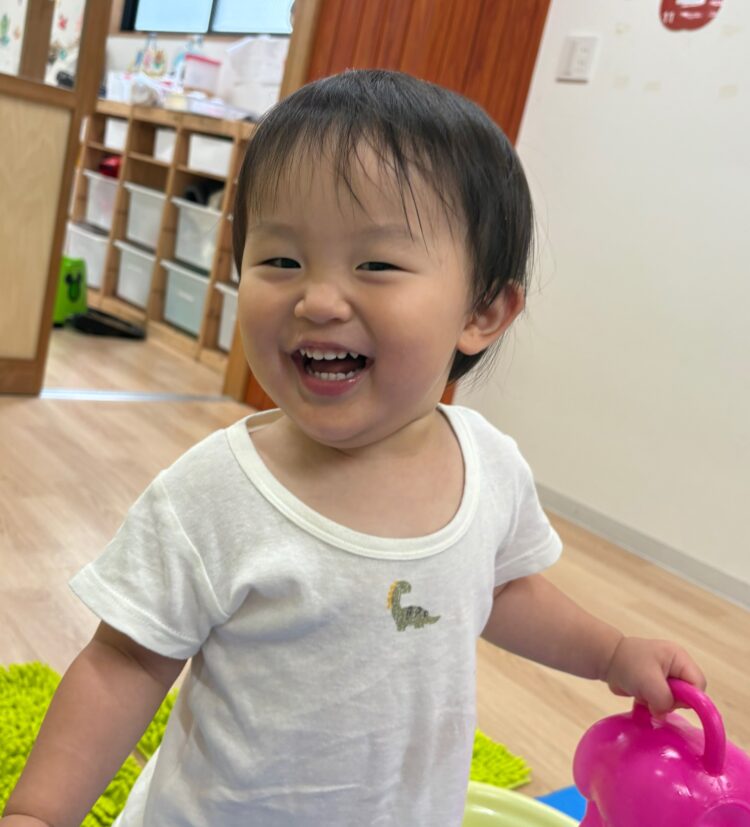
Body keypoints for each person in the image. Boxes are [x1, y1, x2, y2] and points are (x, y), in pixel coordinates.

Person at [2, 69, 705, 827]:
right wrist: (40, 813)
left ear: (481, 311)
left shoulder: (489, 467)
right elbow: (124, 662)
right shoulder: (212, 495)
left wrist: (610, 652)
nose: (318, 299)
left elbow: (499, 590)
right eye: (281, 261)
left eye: (375, 265)